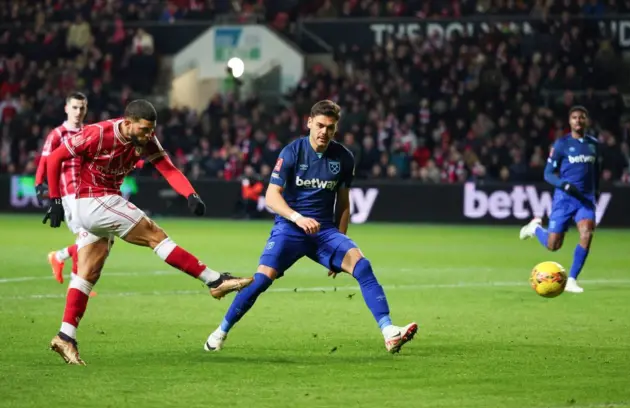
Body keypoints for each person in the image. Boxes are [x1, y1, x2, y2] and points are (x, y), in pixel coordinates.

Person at [43, 99, 253, 365]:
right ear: (127, 122)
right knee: (154, 234)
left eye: (151, 130)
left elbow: (168, 168)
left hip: (101, 203)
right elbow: (55, 158)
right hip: (92, 200)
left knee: (87, 273)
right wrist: (55, 200)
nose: (148, 135)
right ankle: (214, 280)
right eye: (143, 129)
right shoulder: (98, 134)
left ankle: (65, 336)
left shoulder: (147, 139)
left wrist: (190, 194)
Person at [204, 100, 418, 353]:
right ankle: (220, 333)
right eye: (319, 125)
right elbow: (272, 197)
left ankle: (389, 331)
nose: (324, 132)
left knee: (362, 265)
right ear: (309, 123)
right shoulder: (292, 152)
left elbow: (344, 205)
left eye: (330, 127)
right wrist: (297, 218)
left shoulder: (344, 158)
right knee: (261, 280)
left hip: (324, 232)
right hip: (289, 228)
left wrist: (340, 245)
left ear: (335, 129)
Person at [519, 106, 600, 293]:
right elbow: (548, 174)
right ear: (569, 121)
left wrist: (596, 192)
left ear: (586, 120)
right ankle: (535, 228)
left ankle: (571, 279)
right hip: (564, 199)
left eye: (581, 117)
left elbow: (596, 170)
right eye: (574, 118)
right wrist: (563, 184)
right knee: (553, 245)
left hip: (585, 199)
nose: (578, 121)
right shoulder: (561, 145)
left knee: (587, 233)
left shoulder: (594, 144)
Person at [35, 92, 88, 284]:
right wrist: (39, 184)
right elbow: (45, 161)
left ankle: (59, 257)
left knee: (92, 238)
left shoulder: (88, 132)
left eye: (82, 108)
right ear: (66, 108)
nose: (78, 111)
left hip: (88, 191)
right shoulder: (58, 134)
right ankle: (76, 281)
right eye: (74, 107)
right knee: (87, 237)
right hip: (69, 193)